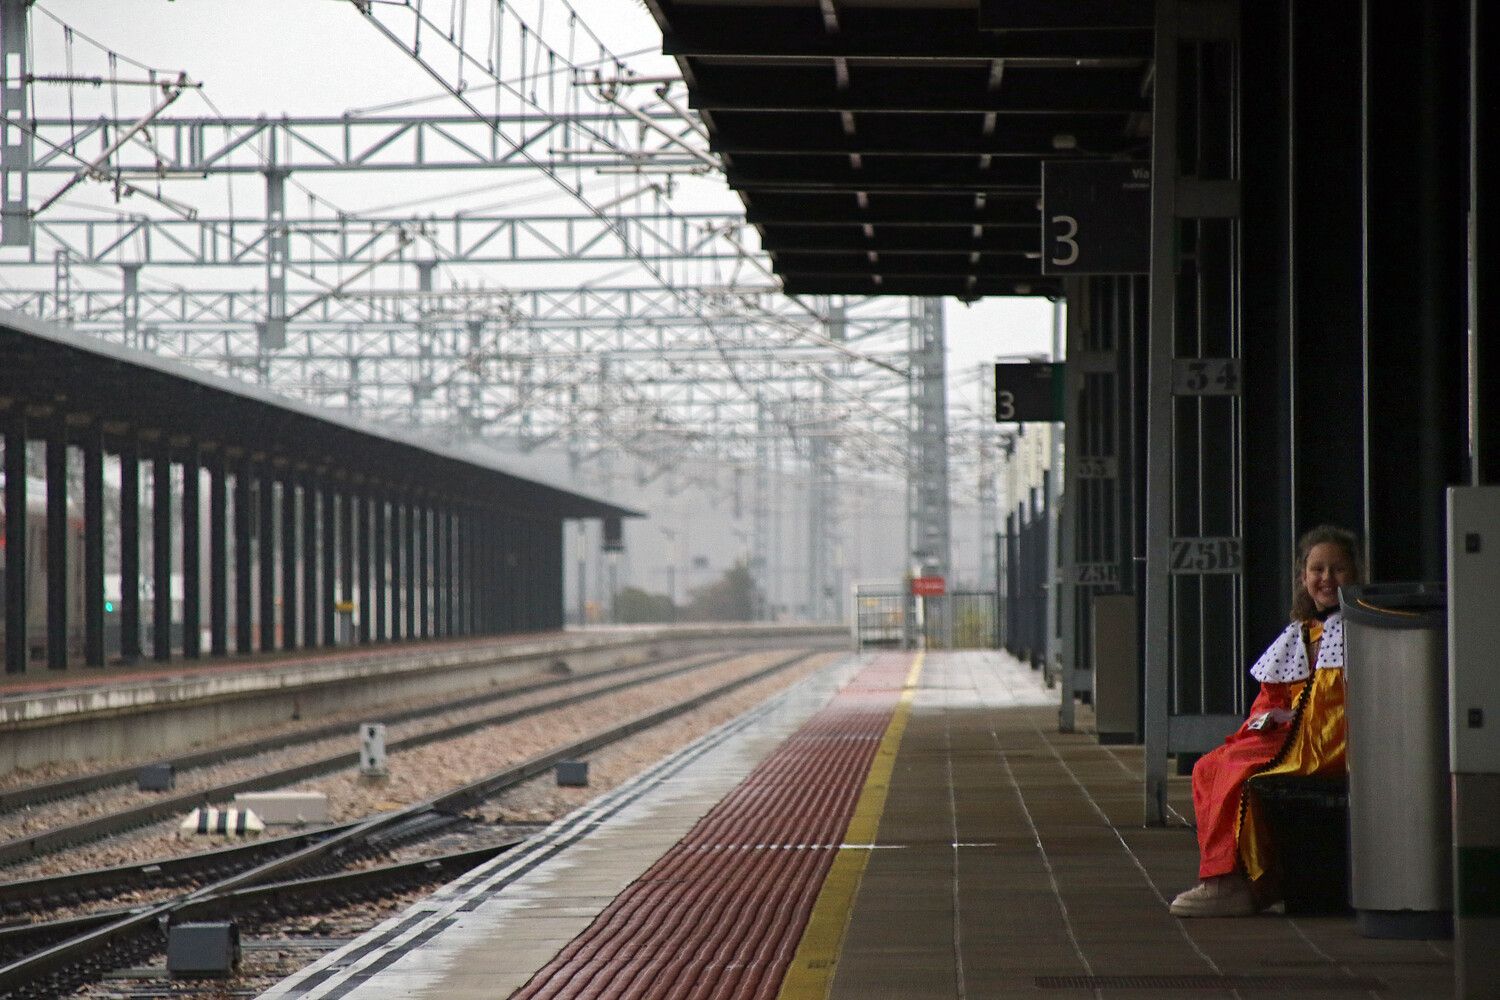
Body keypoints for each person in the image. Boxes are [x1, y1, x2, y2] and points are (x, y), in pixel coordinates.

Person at [1169, 525, 1361, 918]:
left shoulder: (1362, 631)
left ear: (1354, 573)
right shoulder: (1299, 634)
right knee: (1208, 766)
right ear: (1303, 577)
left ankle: (1235, 881)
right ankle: (1234, 878)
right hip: (1290, 736)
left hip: (1330, 744)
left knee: (1240, 772)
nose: (1326, 579)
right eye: (1317, 569)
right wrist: (1263, 721)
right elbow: (1268, 699)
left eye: (1337, 569)